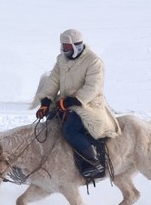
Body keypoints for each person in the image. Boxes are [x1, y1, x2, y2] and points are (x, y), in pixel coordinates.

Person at [32, 29, 121, 179]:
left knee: (70, 130)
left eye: (67, 47)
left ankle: (92, 163)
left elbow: (92, 87)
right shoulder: (61, 59)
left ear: (76, 46)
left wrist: (71, 101)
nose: (64, 49)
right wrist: (46, 102)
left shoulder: (93, 61)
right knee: (50, 125)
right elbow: (54, 80)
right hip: (65, 103)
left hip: (88, 105)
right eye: (63, 46)